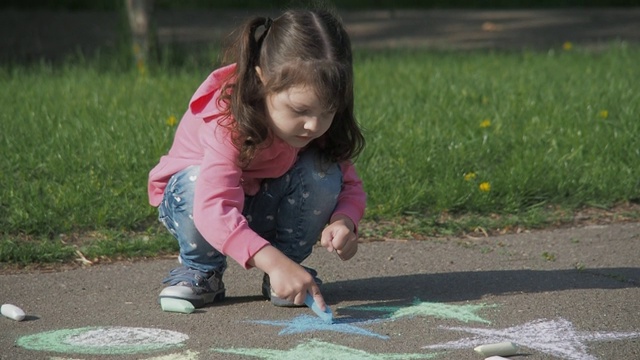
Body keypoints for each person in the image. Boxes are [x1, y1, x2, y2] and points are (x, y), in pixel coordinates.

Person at [148, 8, 366, 312]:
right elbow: (213, 208)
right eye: (300, 111)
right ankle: (201, 270)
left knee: (322, 172)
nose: (315, 126)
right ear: (262, 79)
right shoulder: (227, 119)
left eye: (328, 112)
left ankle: (287, 274)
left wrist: (345, 221)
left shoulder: (313, 125)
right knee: (195, 181)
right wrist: (273, 262)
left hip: (259, 202)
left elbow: (349, 184)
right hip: (197, 205)